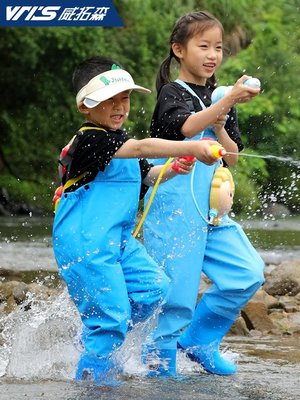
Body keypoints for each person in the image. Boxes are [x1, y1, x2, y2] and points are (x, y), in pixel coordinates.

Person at [52, 56, 223, 384]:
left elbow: (149, 174)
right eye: (109, 100)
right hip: (85, 243)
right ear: (86, 106)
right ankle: (96, 381)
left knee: (154, 288)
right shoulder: (90, 139)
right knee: (112, 315)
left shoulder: (119, 141)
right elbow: (143, 146)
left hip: (117, 241)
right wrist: (192, 145)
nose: (119, 107)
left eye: (125, 98)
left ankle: (99, 338)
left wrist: (173, 168)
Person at [143, 11, 265, 376]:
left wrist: (223, 121)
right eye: (204, 46)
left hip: (213, 213)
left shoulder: (221, 96)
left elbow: (233, 155)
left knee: (248, 273)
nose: (213, 55)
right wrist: (222, 107)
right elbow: (185, 128)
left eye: (219, 48)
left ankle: (199, 342)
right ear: (179, 50)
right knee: (176, 296)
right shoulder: (171, 93)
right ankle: (158, 365)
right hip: (174, 210)